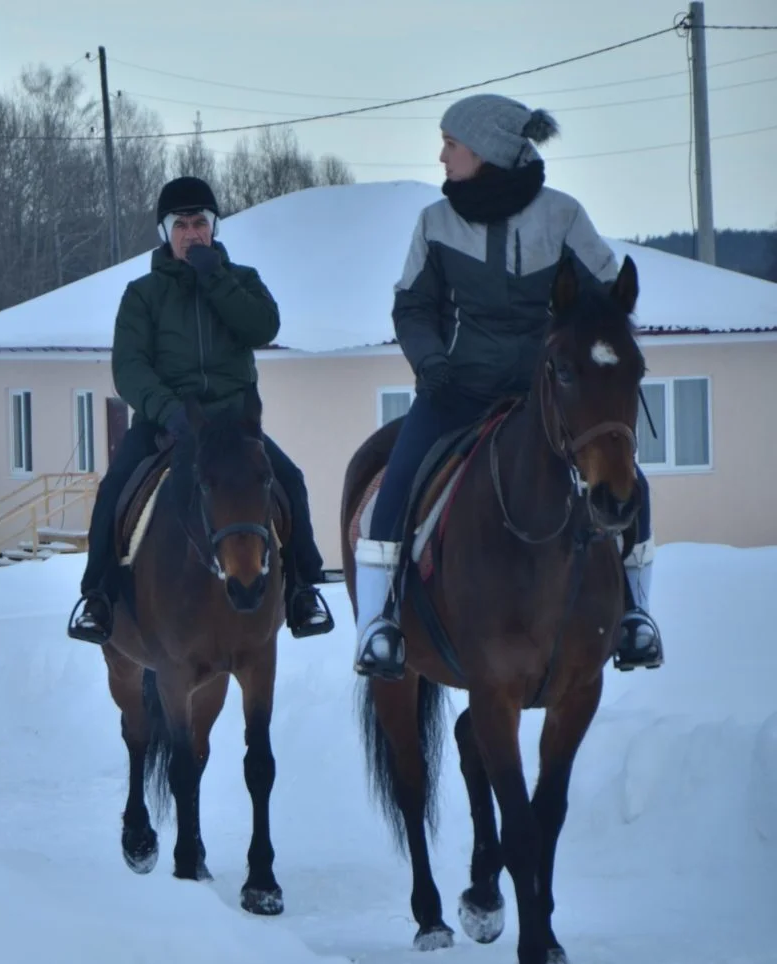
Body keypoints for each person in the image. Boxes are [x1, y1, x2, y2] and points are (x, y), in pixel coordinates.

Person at [350, 93, 663, 680]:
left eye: (451, 144)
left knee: (631, 484)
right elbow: (413, 305)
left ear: (486, 152)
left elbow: (604, 300)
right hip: (456, 391)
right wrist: (430, 361)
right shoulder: (434, 223)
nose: (441, 156)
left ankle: (637, 616)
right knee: (391, 493)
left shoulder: (563, 216)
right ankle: (380, 626)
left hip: (548, 397)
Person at [67, 175, 335, 645]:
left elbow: (261, 326)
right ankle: (98, 598)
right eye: (181, 224)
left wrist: (215, 278)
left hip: (233, 426)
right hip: (165, 424)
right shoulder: (142, 294)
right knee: (114, 490)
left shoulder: (243, 281)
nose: (192, 233)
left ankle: (302, 591)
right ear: (165, 232)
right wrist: (168, 409)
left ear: (214, 227)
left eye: (200, 223)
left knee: (289, 479)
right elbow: (129, 367)